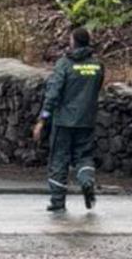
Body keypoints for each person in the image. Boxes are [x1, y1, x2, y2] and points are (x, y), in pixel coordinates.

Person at [32, 26, 105, 212]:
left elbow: (53, 94)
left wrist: (42, 119)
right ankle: (86, 181)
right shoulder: (97, 65)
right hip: (86, 120)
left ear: (73, 42)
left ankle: (57, 201)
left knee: (59, 159)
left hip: (64, 121)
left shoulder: (64, 64)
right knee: (84, 156)